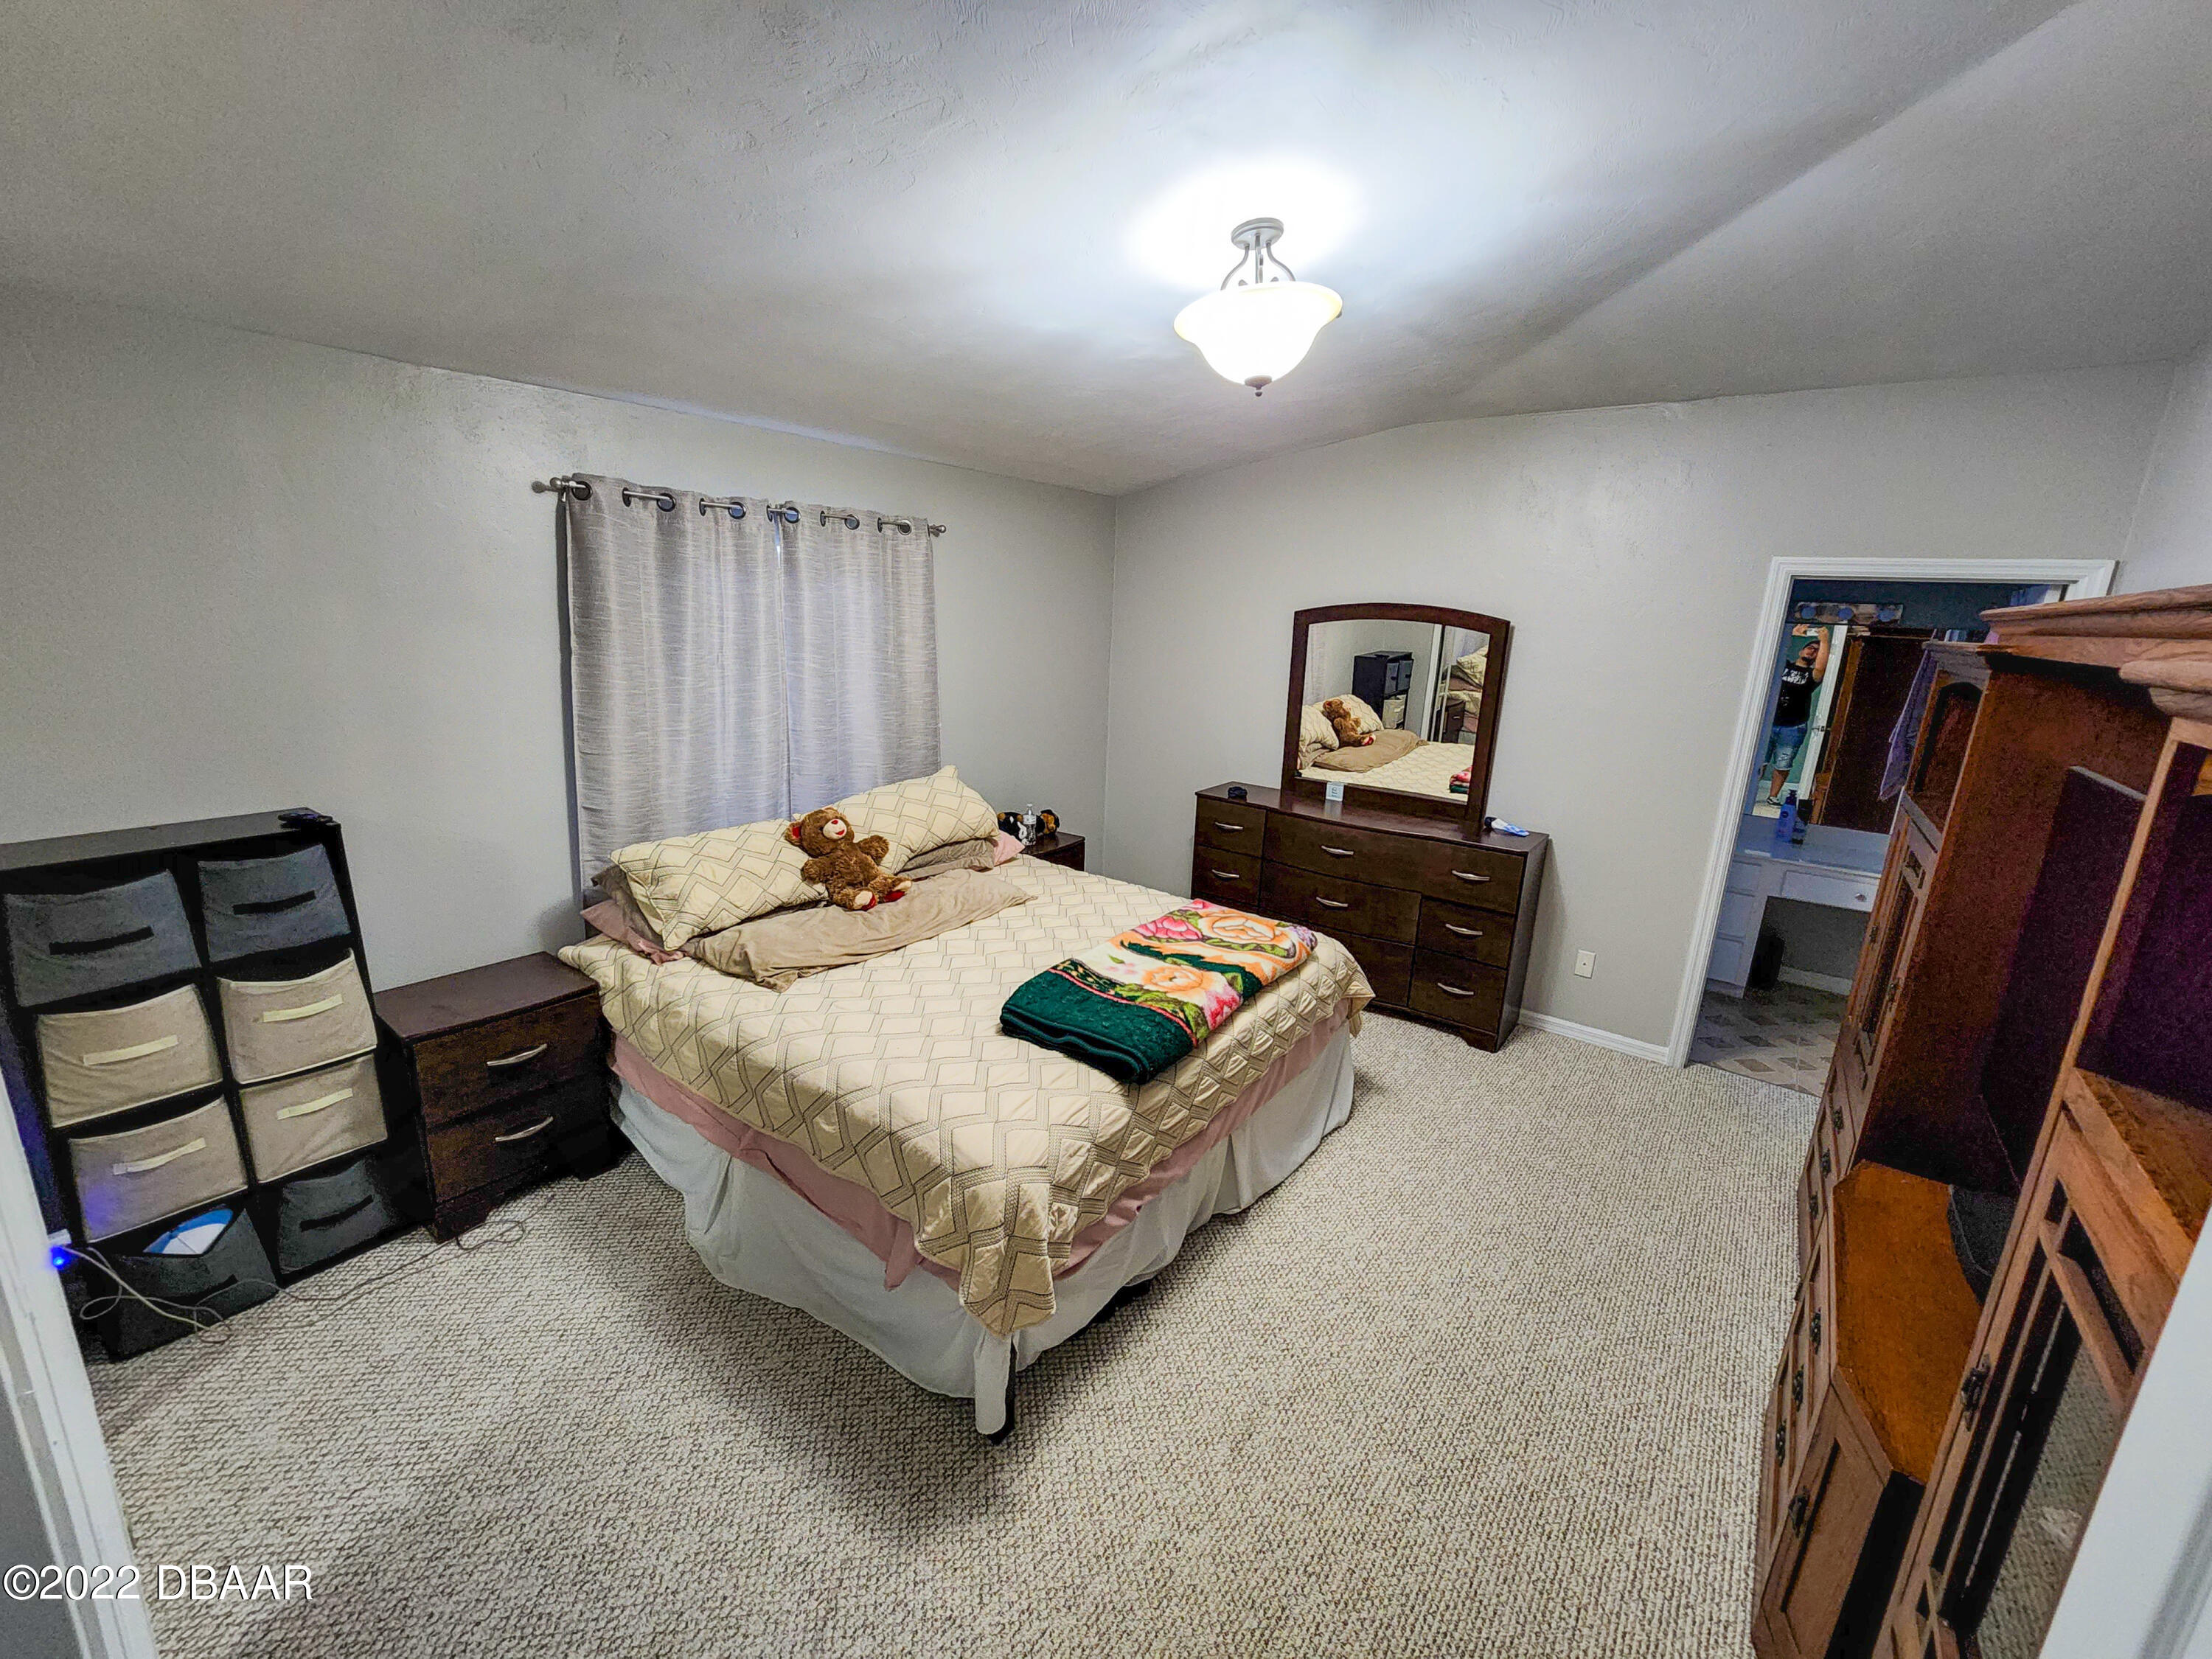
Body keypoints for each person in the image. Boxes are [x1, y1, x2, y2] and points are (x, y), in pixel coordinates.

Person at [1763, 625, 1831, 804]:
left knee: (1783, 764)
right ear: (1801, 649)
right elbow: (1775, 650)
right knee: (1759, 761)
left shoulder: (1812, 676)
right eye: (1810, 646)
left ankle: (1773, 796)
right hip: (1769, 722)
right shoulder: (1783, 666)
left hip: (1793, 727)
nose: (1812, 650)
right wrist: (1791, 634)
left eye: (1817, 650)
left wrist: (1824, 640)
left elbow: (1822, 667)